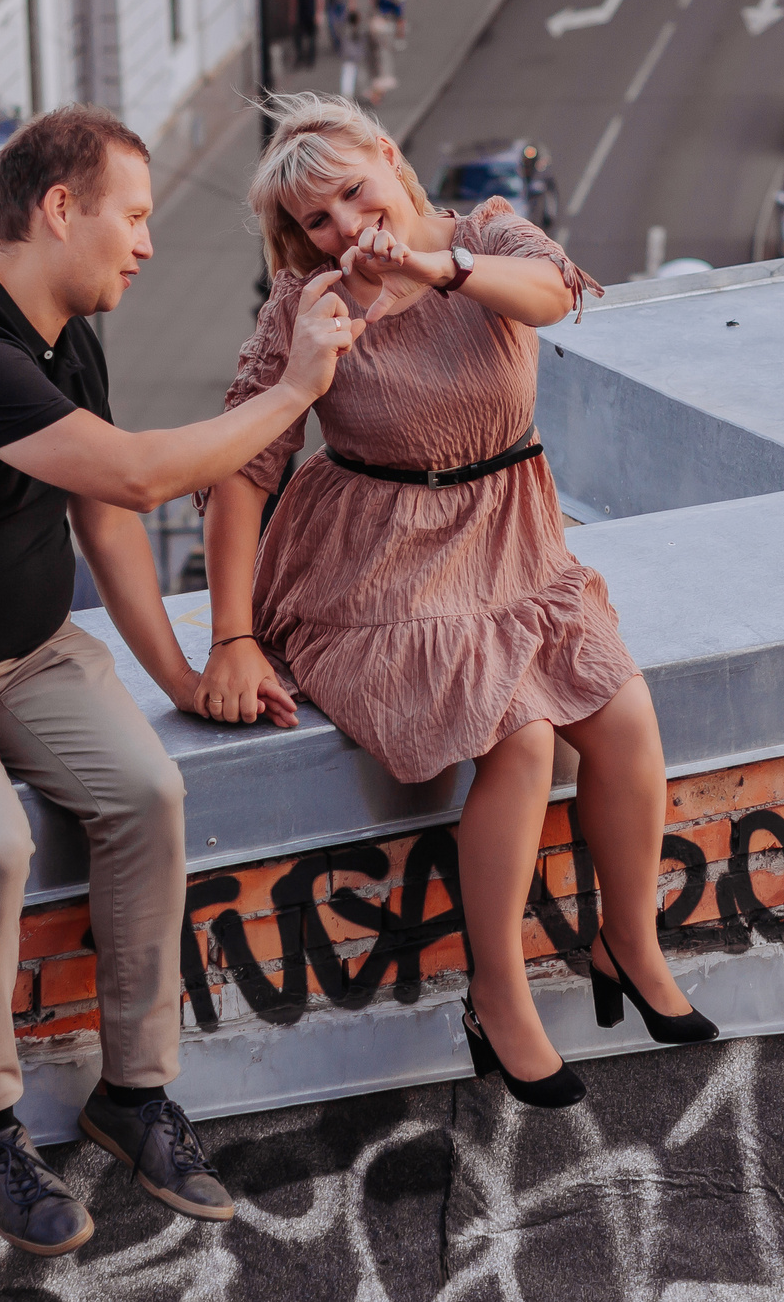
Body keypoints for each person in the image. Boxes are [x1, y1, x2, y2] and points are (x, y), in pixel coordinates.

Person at [0, 106, 363, 1256]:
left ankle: (132, 1094)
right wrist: (293, 393)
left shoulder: (66, 332)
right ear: (58, 211)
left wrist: (181, 676)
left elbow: (100, 515)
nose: (146, 245)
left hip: (28, 653)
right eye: (132, 218)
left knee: (147, 795)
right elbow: (139, 478)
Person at [195, 94, 718, 1113]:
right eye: (316, 221)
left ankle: (626, 945)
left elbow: (551, 294)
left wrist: (429, 271)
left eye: (353, 192)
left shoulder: (482, 236)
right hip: (377, 563)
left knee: (624, 716)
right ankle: (497, 992)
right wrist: (231, 637)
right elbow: (240, 471)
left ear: (392, 161)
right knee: (519, 737)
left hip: (514, 542)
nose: (345, 228)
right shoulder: (308, 306)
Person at [290, 0, 321, 66]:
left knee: (312, 39)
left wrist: (317, 14)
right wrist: (293, 14)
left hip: (311, 15)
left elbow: (319, 0)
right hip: (301, 16)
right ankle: (300, 57)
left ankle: (311, 59)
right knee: (298, 38)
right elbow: (294, 0)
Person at [338, 10, 368, 104]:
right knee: (350, 76)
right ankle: (348, 97)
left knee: (352, 76)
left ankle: (351, 96)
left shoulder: (348, 30)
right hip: (352, 57)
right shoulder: (353, 31)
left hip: (351, 57)